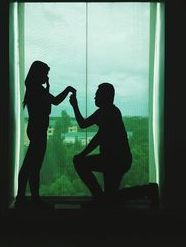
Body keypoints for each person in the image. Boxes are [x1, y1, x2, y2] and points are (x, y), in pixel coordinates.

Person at [15, 60, 76, 207]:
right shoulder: (37, 90)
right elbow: (54, 102)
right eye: (45, 74)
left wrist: (48, 86)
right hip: (38, 131)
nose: (46, 77)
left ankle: (24, 198)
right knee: (32, 166)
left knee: (31, 165)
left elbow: (48, 105)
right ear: (39, 74)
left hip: (35, 130)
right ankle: (31, 199)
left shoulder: (34, 89)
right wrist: (67, 89)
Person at [69, 83, 132, 204]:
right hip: (114, 159)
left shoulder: (110, 112)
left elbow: (99, 137)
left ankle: (99, 197)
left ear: (105, 96)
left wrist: (82, 155)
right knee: (111, 197)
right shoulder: (105, 112)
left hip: (116, 160)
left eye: (97, 95)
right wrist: (75, 106)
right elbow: (83, 124)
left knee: (80, 162)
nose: (95, 98)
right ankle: (148, 190)